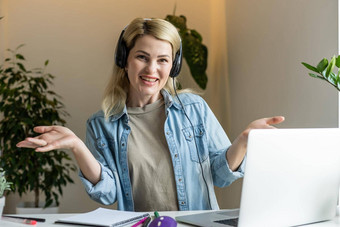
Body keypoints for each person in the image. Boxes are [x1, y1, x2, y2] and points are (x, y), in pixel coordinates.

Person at [16, 18, 284, 212]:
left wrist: (244, 140)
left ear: (174, 65)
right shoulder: (102, 124)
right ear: (124, 60)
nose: (152, 69)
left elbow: (221, 176)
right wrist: (77, 146)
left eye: (163, 60)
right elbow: (108, 194)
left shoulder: (193, 109)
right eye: (142, 57)